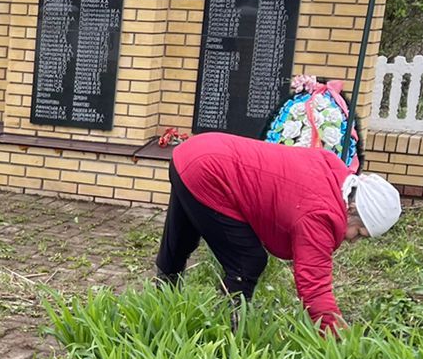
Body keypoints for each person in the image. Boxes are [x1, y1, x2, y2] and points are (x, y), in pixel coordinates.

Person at [154, 131, 402, 331]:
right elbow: (314, 288)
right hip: (208, 170)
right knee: (247, 260)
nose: (353, 240)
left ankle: (162, 298)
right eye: (359, 232)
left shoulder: (331, 171)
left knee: (182, 233)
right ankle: (226, 327)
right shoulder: (320, 215)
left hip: (194, 151)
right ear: (351, 209)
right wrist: (339, 338)